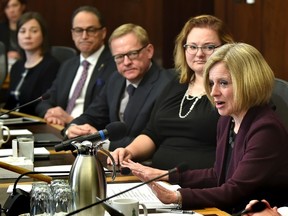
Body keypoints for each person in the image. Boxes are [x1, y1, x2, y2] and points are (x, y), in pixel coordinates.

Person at [121, 43, 288, 213]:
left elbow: (234, 190)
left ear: (248, 83)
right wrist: (165, 175)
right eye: (211, 83)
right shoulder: (227, 120)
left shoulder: (266, 129)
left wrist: (178, 197)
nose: (214, 92)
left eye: (223, 83)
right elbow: (217, 175)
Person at [108, 15, 234, 169]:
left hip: (200, 184)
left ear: (225, 48)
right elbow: (152, 133)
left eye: (208, 47)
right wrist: (128, 151)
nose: (199, 54)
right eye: (192, 47)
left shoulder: (231, 89)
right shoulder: (175, 83)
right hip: (155, 178)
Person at [63, 23, 174, 151]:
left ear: (149, 51)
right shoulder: (115, 79)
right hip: (112, 161)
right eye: (119, 57)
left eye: (132, 54)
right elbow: (93, 115)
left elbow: (155, 140)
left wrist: (101, 142)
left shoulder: (166, 85)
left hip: (145, 163)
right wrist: (73, 127)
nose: (126, 62)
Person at [35, 5, 117, 126]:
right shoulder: (67, 65)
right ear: (73, 34)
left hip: (89, 135)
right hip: (60, 129)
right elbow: (45, 100)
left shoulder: (114, 65)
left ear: (103, 33)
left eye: (91, 30)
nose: (84, 36)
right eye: (79, 30)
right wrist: (50, 113)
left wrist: (71, 120)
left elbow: (106, 114)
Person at [4, 11, 60, 115]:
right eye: (22, 31)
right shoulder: (17, 66)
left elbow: (44, 104)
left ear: (43, 35)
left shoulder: (51, 66)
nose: (27, 36)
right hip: (9, 122)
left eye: (34, 31)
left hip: (33, 124)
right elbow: (9, 104)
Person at [0, 0, 27, 66]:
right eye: (7, 7)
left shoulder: (30, 27)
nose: (11, 10)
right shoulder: (1, 28)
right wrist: (5, 56)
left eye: (14, 5)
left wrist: (20, 56)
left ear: (22, 7)